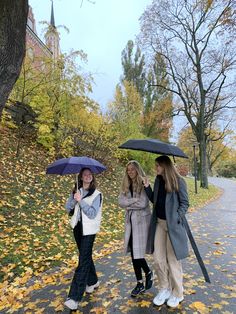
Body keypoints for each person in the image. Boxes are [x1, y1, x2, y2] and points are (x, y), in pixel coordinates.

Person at [143, 155, 189, 308]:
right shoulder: (157, 181)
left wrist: (176, 216)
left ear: (165, 166)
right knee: (158, 259)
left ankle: (178, 293)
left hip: (173, 226)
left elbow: (185, 203)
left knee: (173, 260)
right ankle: (165, 289)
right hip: (160, 224)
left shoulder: (179, 181)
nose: (155, 168)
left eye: (157, 166)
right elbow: (155, 202)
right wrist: (147, 187)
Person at [64, 168, 103, 311]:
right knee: (85, 256)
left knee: (83, 260)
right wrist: (74, 200)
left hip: (89, 231)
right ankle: (93, 281)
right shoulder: (76, 191)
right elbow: (68, 209)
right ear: (80, 177)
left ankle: (74, 297)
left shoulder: (97, 195)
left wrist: (81, 201)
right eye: (85, 174)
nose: (88, 176)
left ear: (92, 177)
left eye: (90, 174)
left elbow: (92, 213)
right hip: (78, 228)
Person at [118, 160, 153, 297]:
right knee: (134, 252)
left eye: (132, 169)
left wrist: (128, 204)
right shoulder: (126, 185)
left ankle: (144, 277)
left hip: (142, 222)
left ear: (137, 170)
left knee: (137, 252)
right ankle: (142, 279)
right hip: (131, 222)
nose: (130, 172)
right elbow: (120, 201)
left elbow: (144, 203)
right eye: (128, 170)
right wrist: (133, 202)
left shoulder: (144, 183)